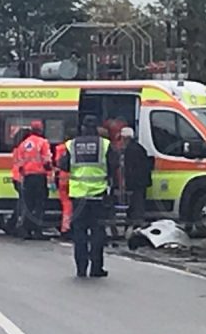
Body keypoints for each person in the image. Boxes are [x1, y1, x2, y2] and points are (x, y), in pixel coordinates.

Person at [58, 114, 120, 278]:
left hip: (78, 196)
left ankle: (81, 268)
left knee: (79, 233)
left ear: (83, 128)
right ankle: (96, 268)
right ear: (97, 129)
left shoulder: (72, 145)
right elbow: (114, 165)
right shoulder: (105, 144)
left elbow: (63, 165)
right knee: (98, 233)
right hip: (98, 195)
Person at [13, 119, 53, 239]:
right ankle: (37, 231)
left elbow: (19, 162)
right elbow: (47, 161)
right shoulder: (43, 142)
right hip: (39, 177)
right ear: (41, 130)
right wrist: (51, 170)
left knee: (28, 205)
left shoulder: (23, 144)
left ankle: (25, 230)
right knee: (39, 205)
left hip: (27, 177)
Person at [120, 125, 152, 228]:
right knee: (137, 204)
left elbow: (131, 169)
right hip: (141, 182)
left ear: (126, 138)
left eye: (122, 138)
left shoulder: (131, 150)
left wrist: (127, 184)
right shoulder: (138, 148)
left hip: (136, 183)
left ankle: (137, 226)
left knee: (137, 206)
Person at [53, 137, 73, 239]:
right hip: (73, 178)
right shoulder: (74, 147)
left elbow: (58, 163)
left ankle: (65, 227)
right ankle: (68, 228)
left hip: (62, 178)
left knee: (66, 205)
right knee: (71, 205)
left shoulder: (59, 148)